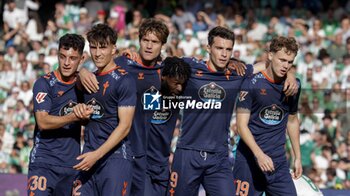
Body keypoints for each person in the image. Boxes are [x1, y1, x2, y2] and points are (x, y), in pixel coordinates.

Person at [168, 27, 298, 196]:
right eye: (219, 48)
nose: (224, 54)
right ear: (208, 48)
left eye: (228, 49)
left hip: (219, 157)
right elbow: (162, 65)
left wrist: (290, 75)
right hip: (188, 152)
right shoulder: (191, 67)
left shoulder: (238, 72)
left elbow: (271, 65)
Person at [79, 18, 169, 196]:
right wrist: (81, 72)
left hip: (153, 156)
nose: (149, 46)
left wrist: (235, 63)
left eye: (155, 42)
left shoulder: (168, 70)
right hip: (122, 150)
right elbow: (98, 71)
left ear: (163, 44)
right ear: (139, 40)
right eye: (145, 40)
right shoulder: (122, 64)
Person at [72, 24, 136, 196]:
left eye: (103, 47)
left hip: (115, 159)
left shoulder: (124, 80)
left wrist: (97, 154)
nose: (98, 53)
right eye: (93, 47)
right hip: (88, 156)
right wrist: (81, 72)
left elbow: (125, 126)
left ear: (114, 48)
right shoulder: (87, 79)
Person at [233, 36, 302, 196]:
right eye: (282, 60)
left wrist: (297, 156)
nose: (285, 66)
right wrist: (259, 155)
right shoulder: (251, 83)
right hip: (249, 160)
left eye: (290, 62)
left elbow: (292, 120)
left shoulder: (294, 86)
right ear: (270, 56)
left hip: (278, 162)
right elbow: (241, 126)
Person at [27, 33, 89, 196]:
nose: (67, 63)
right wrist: (75, 116)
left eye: (73, 58)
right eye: (63, 57)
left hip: (72, 166)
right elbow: (43, 122)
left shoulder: (84, 85)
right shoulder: (44, 83)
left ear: (82, 59)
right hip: (43, 163)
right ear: (57, 55)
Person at [144, 57, 191, 196]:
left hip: (162, 165)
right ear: (163, 76)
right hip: (143, 163)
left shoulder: (178, 96)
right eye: (176, 83)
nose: (179, 88)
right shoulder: (148, 91)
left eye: (182, 84)